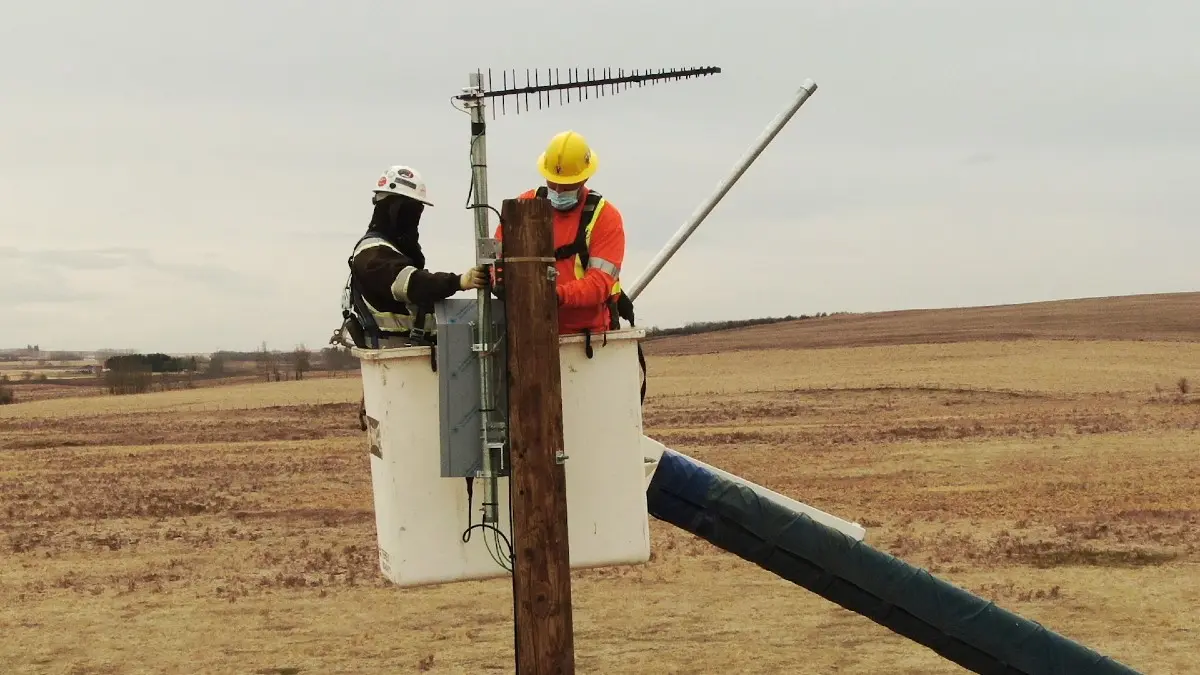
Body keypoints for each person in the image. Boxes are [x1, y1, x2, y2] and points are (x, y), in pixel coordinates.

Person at [492, 130, 629, 336]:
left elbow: (600, 283)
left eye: (565, 185)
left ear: (585, 178)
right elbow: (496, 256)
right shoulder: (524, 206)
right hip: (528, 333)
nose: (557, 189)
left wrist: (554, 296)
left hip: (585, 339)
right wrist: (497, 280)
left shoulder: (605, 216)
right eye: (552, 181)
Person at [339, 164, 486, 350]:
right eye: (413, 210)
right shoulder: (373, 253)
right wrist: (459, 281)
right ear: (395, 209)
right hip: (396, 358)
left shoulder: (391, 250)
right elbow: (411, 283)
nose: (415, 218)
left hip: (408, 354)